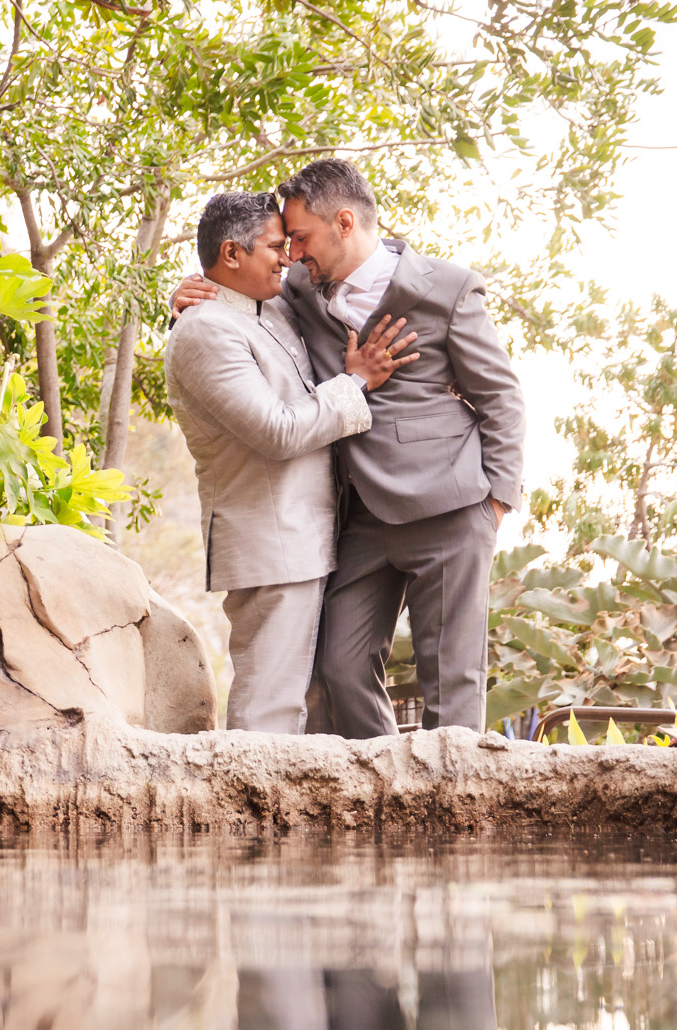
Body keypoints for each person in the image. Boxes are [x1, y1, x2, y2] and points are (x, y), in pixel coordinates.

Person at [174, 159, 526, 736]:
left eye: (301, 238)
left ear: (343, 222)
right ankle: (388, 794)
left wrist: (497, 502)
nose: (292, 253)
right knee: (339, 666)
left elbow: (501, 398)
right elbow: (240, 310)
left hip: (451, 505)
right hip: (358, 517)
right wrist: (193, 294)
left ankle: (453, 816)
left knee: (453, 678)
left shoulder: (449, 288)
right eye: (283, 243)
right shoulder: (297, 291)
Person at [164, 191, 416, 733]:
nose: (289, 257)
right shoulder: (203, 331)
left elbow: (344, 266)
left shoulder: (271, 302)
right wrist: (357, 382)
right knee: (270, 710)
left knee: (319, 706)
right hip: (271, 543)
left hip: (316, 536)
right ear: (232, 255)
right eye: (277, 246)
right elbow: (276, 431)